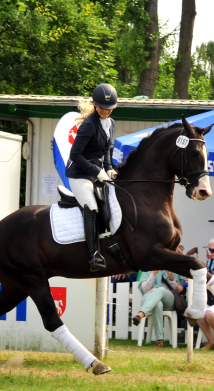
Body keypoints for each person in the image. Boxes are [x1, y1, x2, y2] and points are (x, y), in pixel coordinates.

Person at [65, 83, 118, 272]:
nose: (105, 111)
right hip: (80, 174)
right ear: (95, 105)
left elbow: (107, 152)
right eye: (102, 107)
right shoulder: (89, 125)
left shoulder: (111, 124)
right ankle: (93, 254)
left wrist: (110, 169)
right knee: (92, 206)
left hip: (98, 173)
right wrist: (97, 171)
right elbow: (75, 155)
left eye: (109, 108)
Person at [132, 270, 185, 348]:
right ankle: (159, 341)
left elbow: (177, 290)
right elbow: (144, 289)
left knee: (161, 290)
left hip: (168, 299)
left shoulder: (171, 267)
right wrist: (153, 273)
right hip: (149, 297)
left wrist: (171, 277)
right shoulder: (147, 268)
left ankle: (141, 314)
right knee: (157, 304)